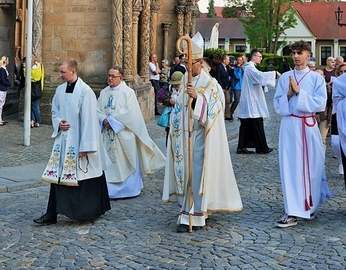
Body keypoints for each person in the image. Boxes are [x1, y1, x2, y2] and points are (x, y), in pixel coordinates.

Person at [163, 32, 243, 232]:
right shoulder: (183, 82)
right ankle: (185, 211)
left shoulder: (211, 84)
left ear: (200, 63)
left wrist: (197, 98)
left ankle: (196, 215)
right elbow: (179, 109)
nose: (188, 67)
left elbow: (214, 111)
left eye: (192, 63)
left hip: (200, 137)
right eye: (186, 62)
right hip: (184, 136)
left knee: (197, 176)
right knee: (186, 175)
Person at [34, 59, 110, 225]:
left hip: (80, 141)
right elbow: (55, 111)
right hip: (63, 141)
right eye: (60, 72)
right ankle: (51, 213)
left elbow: (90, 120)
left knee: (85, 176)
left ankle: (88, 211)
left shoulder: (86, 91)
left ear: (73, 71)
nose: (60, 75)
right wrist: (59, 122)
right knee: (58, 176)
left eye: (63, 72)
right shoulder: (60, 90)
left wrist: (86, 147)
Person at [274, 40, 332, 228]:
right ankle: (292, 210)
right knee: (290, 167)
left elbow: (320, 104)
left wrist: (300, 93)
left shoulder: (315, 78)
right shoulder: (285, 78)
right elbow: (277, 104)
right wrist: (289, 94)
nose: (296, 56)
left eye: (300, 53)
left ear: (308, 55)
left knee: (312, 166)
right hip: (290, 125)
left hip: (307, 125)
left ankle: (309, 204)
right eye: (294, 53)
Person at [97, 66, 165, 198]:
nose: (110, 78)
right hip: (107, 134)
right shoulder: (104, 92)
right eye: (109, 75)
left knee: (125, 162)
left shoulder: (128, 92)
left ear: (121, 78)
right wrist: (103, 120)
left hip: (123, 134)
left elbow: (130, 113)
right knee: (108, 163)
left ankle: (128, 189)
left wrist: (112, 121)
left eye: (113, 76)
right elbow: (97, 109)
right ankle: (107, 190)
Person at [236, 49, 280, 154]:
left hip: (252, 98)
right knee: (255, 122)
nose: (261, 58)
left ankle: (251, 146)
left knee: (248, 123)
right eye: (259, 56)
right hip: (251, 99)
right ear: (254, 56)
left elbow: (258, 79)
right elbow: (260, 76)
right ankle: (260, 147)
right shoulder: (250, 68)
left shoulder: (250, 68)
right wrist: (274, 73)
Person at [331, 62, 346, 175]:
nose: (343, 74)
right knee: (336, 142)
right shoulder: (337, 82)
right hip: (339, 113)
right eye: (341, 72)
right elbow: (335, 99)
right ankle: (341, 161)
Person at [28, 55, 44, 128]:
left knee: (34, 105)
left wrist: (25, 69)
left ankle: (37, 120)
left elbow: (32, 77)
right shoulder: (41, 66)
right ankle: (33, 120)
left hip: (33, 89)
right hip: (37, 88)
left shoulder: (35, 67)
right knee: (33, 105)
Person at [215, 54, 231, 120]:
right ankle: (221, 114)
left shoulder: (227, 67)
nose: (228, 61)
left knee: (227, 101)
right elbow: (218, 77)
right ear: (224, 60)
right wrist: (221, 87)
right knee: (222, 100)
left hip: (226, 86)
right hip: (222, 87)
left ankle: (227, 115)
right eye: (227, 60)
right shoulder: (219, 67)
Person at [230, 55, 244, 120]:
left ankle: (240, 115)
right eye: (238, 60)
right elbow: (237, 76)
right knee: (236, 100)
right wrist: (238, 69)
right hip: (236, 86)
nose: (239, 61)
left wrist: (242, 68)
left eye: (240, 60)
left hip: (242, 86)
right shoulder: (234, 69)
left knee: (242, 101)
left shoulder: (243, 68)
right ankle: (230, 112)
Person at [0, 56, 11, 126]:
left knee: (1, 104)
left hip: (3, 88)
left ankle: (0, 119)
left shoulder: (4, 69)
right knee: (0, 105)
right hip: (1, 88)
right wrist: (9, 84)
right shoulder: (2, 70)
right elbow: (3, 80)